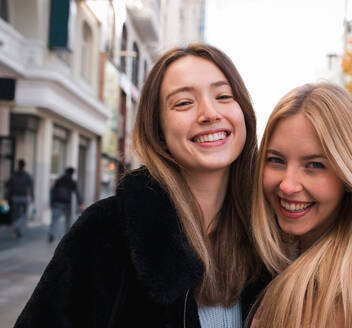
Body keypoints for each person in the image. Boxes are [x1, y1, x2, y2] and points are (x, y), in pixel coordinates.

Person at [14, 44, 267, 327]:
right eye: (184, 102)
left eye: (223, 96)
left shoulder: (268, 238)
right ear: (157, 130)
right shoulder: (105, 230)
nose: (209, 113)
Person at [250, 83, 352, 327]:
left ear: (348, 175)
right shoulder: (265, 259)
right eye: (276, 160)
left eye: (315, 165)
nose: (288, 185)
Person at [48, 167, 83, 243]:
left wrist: (51, 202)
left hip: (57, 203)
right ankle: (67, 237)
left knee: (54, 220)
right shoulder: (72, 181)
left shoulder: (59, 180)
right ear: (72, 173)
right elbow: (77, 193)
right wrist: (80, 203)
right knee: (68, 221)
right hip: (67, 204)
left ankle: (51, 234)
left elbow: (53, 191)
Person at [5, 159, 34, 239]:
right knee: (23, 215)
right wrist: (32, 198)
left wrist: (7, 197)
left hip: (15, 198)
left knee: (15, 215)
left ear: (18, 165)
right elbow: (31, 187)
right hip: (23, 197)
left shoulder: (13, 175)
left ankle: (16, 231)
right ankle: (16, 228)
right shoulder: (27, 175)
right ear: (24, 166)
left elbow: (7, 185)